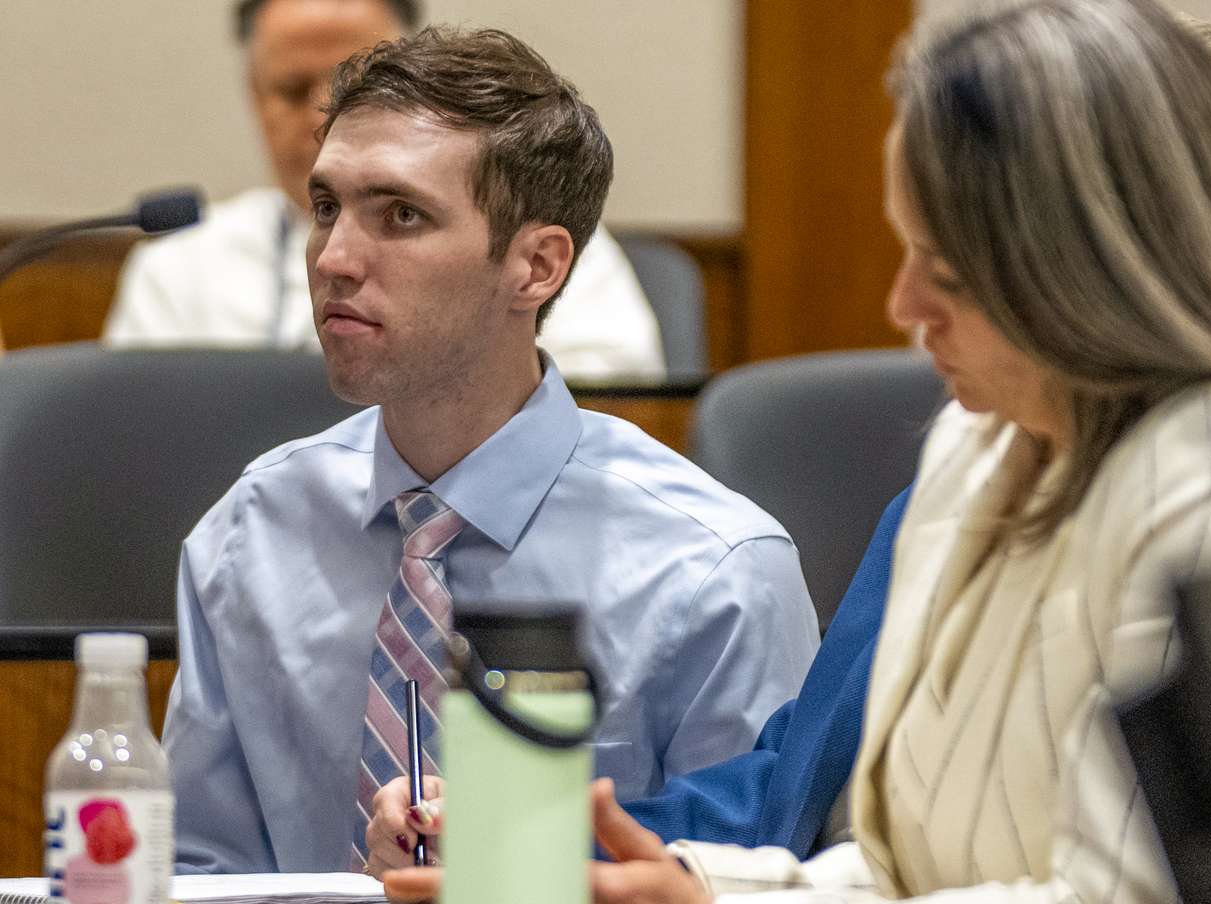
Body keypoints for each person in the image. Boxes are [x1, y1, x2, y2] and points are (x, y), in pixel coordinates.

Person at [385, 0, 1211, 900]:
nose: (901, 307)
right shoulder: (973, 450)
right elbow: (884, 855)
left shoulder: (1200, 496)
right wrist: (691, 886)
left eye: (944, 271)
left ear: (1087, 271)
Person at [160, 26, 819, 876]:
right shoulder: (251, 531)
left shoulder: (712, 573)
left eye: (401, 215)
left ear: (536, 266)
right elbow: (194, 875)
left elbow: (755, 881)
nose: (334, 259)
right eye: (327, 207)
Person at [102, 0, 666, 382]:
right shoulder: (179, 267)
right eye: (294, 89)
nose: (327, 115)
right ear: (254, 98)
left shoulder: (528, 243)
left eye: (358, 82)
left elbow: (614, 399)